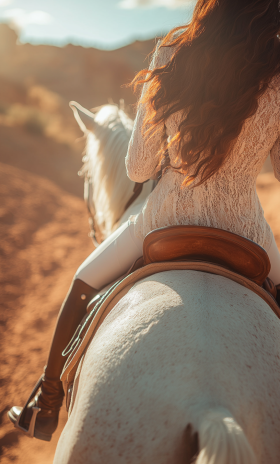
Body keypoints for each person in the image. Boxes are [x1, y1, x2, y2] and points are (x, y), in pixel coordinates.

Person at [8, 0, 280, 441]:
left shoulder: (173, 52)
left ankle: (46, 404)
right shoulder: (277, 64)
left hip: (162, 222)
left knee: (83, 281)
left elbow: (136, 169)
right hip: (245, 232)